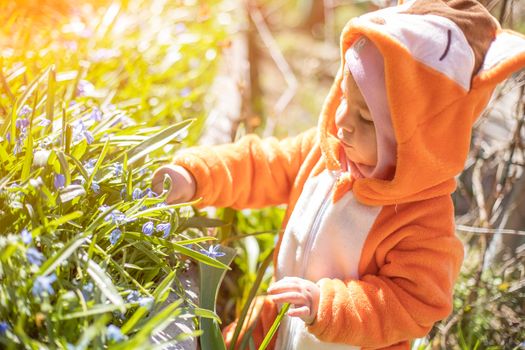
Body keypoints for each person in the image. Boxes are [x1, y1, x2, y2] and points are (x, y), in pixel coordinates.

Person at [151, 0, 525, 348]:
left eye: (366, 117)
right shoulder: (326, 153)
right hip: (276, 322)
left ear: (417, 142)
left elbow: (414, 303)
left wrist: (326, 304)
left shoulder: (422, 220)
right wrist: (196, 176)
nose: (342, 121)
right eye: (345, 97)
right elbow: (262, 164)